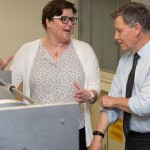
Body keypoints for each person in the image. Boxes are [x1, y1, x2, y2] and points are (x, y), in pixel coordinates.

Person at [0, 0, 100, 149]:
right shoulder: (27, 51)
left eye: (72, 19)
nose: (70, 24)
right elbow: (7, 89)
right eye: (64, 19)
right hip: (35, 129)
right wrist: (1, 74)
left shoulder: (85, 50)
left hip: (74, 130)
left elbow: (95, 88)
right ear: (48, 21)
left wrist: (90, 95)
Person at [90, 2, 150, 150]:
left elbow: (144, 105)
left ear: (137, 28)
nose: (115, 36)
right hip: (131, 138)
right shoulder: (125, 60)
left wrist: (113, 101)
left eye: (119, 30)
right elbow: (110, 102)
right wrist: (98, 137)